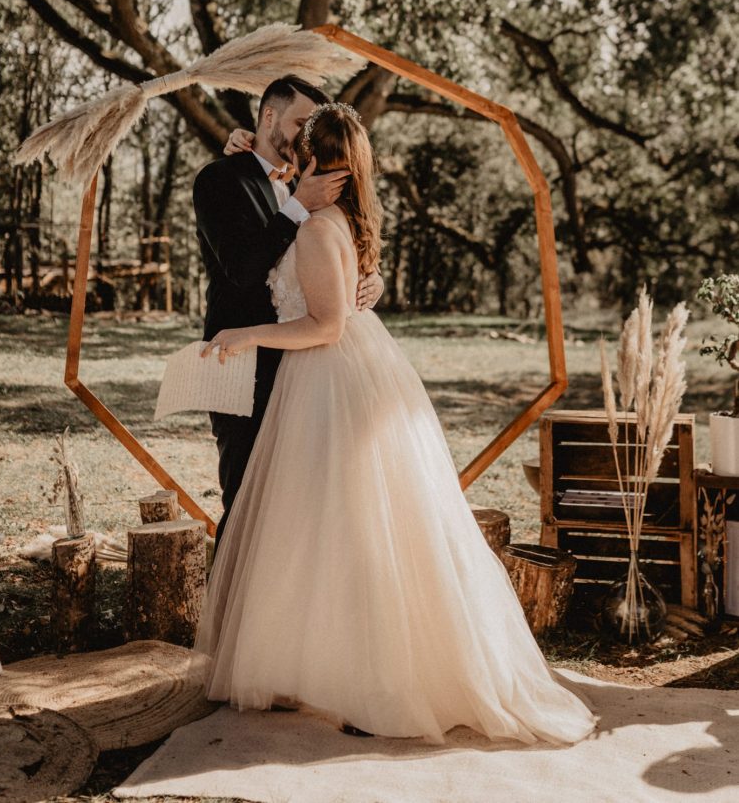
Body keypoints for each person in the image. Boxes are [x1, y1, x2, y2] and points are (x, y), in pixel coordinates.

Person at [188, 102, 599, 747]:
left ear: (317, 159)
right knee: (331, 532)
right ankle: (323, 667)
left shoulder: (319, 228)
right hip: (336, 374)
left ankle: (377, 681)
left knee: (353, 533)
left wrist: (248, 333)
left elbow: (323, 326)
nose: (288, 147)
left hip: (329, 378)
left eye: (300, 140)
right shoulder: (332, 219)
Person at [192, 76, 384, 553]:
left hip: (309, 368)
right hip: (244, 367)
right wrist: (298, 206)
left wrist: (373, 278)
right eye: (300, 122)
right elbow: (242, 270)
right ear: (268, 117)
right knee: (244, 498)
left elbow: (341, 243)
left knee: (300, 508)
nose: (305, 137)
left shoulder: (307, 182)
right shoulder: (221, 179)